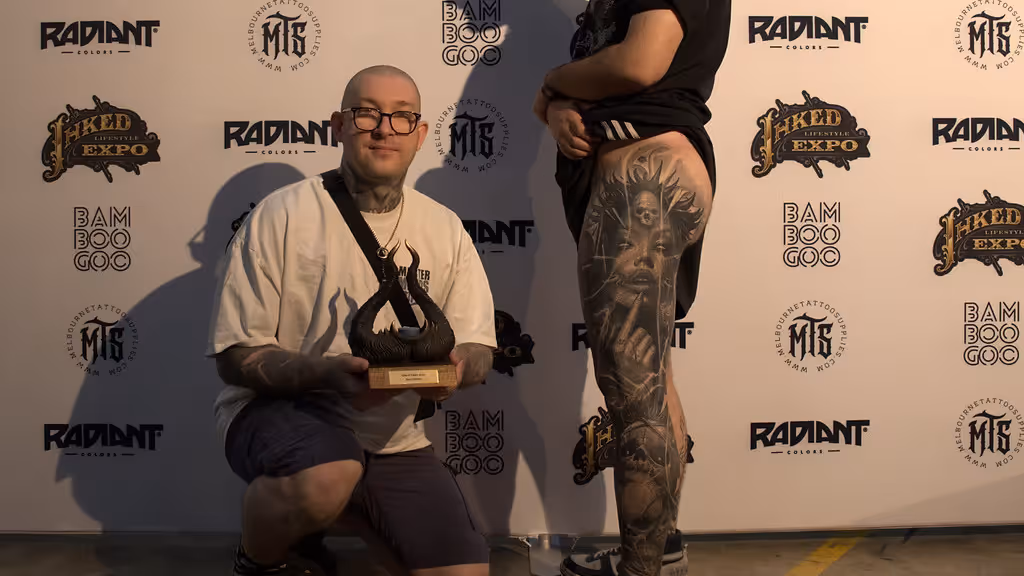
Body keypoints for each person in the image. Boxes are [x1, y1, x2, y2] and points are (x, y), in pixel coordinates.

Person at [208, 65, 496, 576]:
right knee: (330, 473)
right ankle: (259, 562)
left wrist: (453, 370)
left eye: (402, 117)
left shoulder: (445, 227)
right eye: (367, 114)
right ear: (338, 126)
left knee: (464, 572)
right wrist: (324, 375)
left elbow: (477, 348)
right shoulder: (284, 214)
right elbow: (235, 358)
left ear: (421, 134)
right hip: (285, 416)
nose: (385, 128)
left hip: (394, 441)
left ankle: (350, 509)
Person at [532, 1, 731, 575]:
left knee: (632, 389)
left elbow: (641, 63)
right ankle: (659, 553)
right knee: (652, 376)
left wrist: (551, 84)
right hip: (637, 175)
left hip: (643, 179)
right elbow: (605, 77)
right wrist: (560, 108)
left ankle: (638, 570)